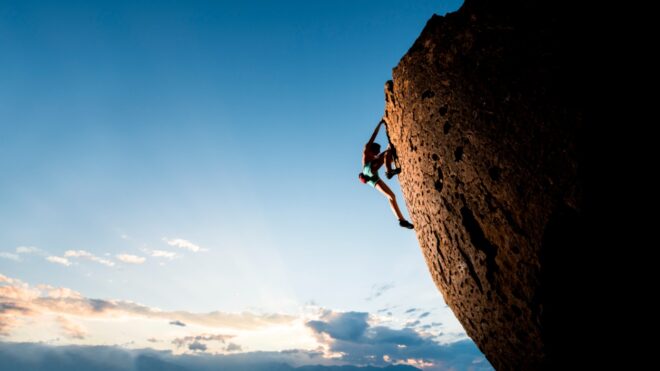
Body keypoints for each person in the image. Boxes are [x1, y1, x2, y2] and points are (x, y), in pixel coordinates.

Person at [360, 119, 414, 229]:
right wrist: (380, 124)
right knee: (386, 154)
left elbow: (388, 154)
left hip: (373, 178)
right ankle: (389, 172)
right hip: (367, 170)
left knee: (391, 196)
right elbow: (374, 135)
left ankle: (401, 220)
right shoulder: (366, 150)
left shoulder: (375, 156)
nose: (377, 153)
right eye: (376, 151)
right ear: (373, 149)